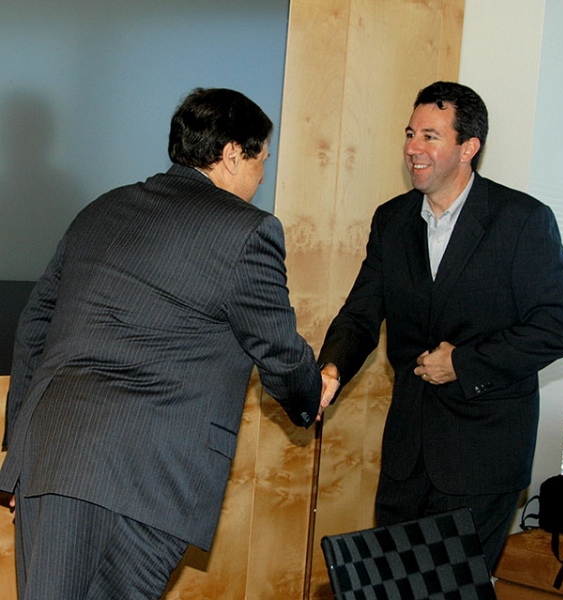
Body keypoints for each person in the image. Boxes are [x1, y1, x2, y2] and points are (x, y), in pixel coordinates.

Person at [0, 87, 330, 599]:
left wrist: (20, 452)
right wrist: (311, 394)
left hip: (51, 455)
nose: (263, 175)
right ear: (232, 154)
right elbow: (280, 352)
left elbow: (35, 324)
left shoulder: (102, 208)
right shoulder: (248, 231)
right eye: (262, 159)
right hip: (139, 476)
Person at [317, 81, 563, 569]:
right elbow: (360, 313)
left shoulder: (522, 220)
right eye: (410, 134)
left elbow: (559, 326)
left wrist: (463, 363)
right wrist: (331, 370)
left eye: (430, 136)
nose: (413, 148)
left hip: (483, 457)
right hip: (406, 457)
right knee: (390, 585)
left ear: (468, 147)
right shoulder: (391, 220)